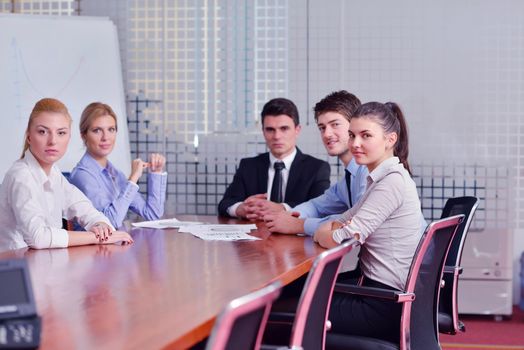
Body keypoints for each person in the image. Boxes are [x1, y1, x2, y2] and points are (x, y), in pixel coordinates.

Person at [314, 101, 423, 343]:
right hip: (378, 293)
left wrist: (328, 231)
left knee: (296, 310)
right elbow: (343, 221)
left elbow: (339, 237)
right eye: (352, 135)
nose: (355, 144)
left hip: (382, 304)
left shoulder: (392, 182)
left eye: (366, 136)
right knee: (299, 294)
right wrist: (332, 229)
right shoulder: (380, 179)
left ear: (390, 139)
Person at [0, 98, 133, 252]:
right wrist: (97, 237)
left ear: (69, 138)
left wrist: (100, 225)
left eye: (61, 133)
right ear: (29, 136)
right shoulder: (21, 175)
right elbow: (38, 238)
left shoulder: (54, 173)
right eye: (42, 132)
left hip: (45, 264)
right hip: (14, 269)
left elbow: (85, 209)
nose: (53, 141)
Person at [263, 90, 368, 235]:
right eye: (322, 128)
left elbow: (355, 222)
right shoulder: (348, 179)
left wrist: (299, 225)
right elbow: (316, 206)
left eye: (335, 124)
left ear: (355, 125)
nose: (326, 134)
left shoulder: (369, 172)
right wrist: (287, 216)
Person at [217, 97, 331, 220]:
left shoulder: (317, 168)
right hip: (256, 235)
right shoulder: (248, 166)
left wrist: (282, 208)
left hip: (296, 237)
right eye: (270, 129)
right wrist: (240, 209)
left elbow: (320, 208)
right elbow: (225, 204)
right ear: (263, 131)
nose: (277, 136)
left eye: (284, 129)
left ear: (297, 130)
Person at [69, 102, 167, 228]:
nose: (106, 137)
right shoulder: (83, 176)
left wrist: (156, 172)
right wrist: (133, 178)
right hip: (92, 247)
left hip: (115, 245)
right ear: (84, 135)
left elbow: (152, 214)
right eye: (97, 130)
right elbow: (110, 221)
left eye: (111, 129)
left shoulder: (116, 174)